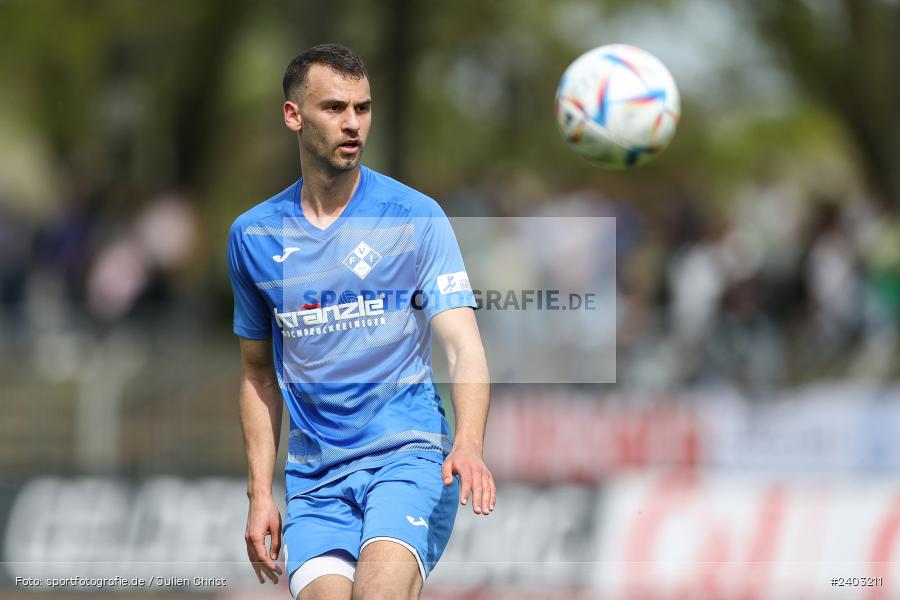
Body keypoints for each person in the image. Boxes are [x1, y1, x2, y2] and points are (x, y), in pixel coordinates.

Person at [227, 43, 495, 600]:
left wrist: (467, 442)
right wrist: (259, 491)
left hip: (408, 454)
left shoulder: (416, 216)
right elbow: (256, 373)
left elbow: (464, 347)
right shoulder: (252, 237)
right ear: (293, 115)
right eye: (334, 108)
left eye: (363, 108)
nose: (353, 123)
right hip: (314, 478)